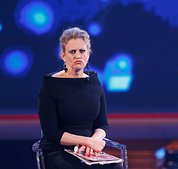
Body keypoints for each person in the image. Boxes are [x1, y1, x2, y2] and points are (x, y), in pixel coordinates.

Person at [38, 27, 122, 169]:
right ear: (63, 56)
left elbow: (102, 124)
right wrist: (87, 141)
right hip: (59, 150)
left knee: (115, 167)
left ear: (88, 54)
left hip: (88, 151)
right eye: (72, 51)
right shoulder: (51, 84)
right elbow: (52, 133)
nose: (78, 55)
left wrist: (93, 141)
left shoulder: (94, 81)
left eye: (82, 51)